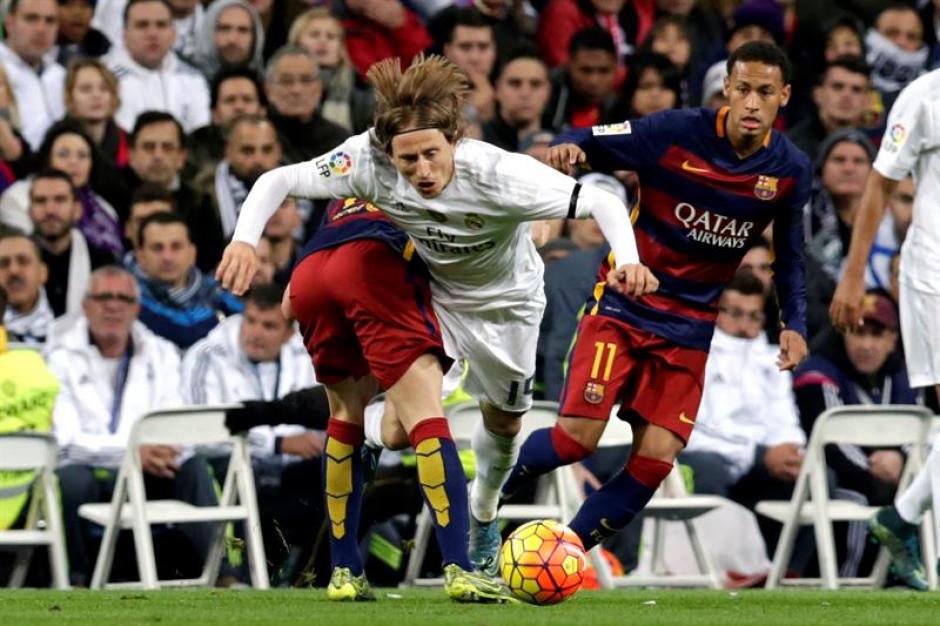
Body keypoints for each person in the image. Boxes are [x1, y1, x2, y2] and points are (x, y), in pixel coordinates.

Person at [216, 54, 652, 577]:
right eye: (407, 160)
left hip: (508, 307)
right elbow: (278, 179)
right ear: (388, 153)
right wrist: (244, 241)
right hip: (434, 297)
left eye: (431, 154)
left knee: (505, 425)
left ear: (454, 141)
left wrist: (627, 260)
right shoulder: (368, 161)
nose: (421, 171)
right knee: (405, 429)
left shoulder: (498, 173)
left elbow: (602, 201)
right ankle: (372, 438)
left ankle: (485, 513)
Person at [501, 41, 811, 560]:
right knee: (577, 439)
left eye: (764, 92)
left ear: (784, 95)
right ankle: (488, 499)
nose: (752, 103)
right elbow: (589, 138)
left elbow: (792, 257)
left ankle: (565, 555)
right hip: (625, 307)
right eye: (743, 90)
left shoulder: (789, 169)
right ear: (727, 91)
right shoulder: (673, 132)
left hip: (689, 327)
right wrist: (568, 147)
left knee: (657, 459)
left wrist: (793, 322)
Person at [830, 66, 940, 591]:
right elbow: (879, 185)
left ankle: (901, 516)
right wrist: (853, 276)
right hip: (935, 272)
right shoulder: (923, 96)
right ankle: (904, 518)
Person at [49, 264, 218, 586]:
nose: (113, 306)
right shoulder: (60, 357)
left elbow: (175, 420)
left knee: (193, 467)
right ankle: (75, 579)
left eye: (123, 298)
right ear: (85, 306)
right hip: (95, 473)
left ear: (136, 309)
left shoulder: (162, 352)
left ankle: (219, 576)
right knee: (70, 479)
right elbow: (66, 441)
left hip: (149, 472)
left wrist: (165, 451)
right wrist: (130, 453)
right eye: (103, 297)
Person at [133, 212, 242, 349]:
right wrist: (217, 319)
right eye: (157, 248)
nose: (167, 257)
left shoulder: (217, 292)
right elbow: (181, 332)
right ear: (140, 256)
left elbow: (247, 321)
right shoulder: (128, 297)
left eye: (176, 247)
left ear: (192, 253)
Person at [105, 0, 211, 133]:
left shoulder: (194, 79)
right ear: (124, 34)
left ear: (174, 34)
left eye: (161, 25)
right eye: (142, 25)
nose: (152, 34)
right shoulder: (106, 80)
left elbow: (199, 135)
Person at [29, 168, 116, 317]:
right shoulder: (13, 259)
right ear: (29, 211)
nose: (50, 210)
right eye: (40, 201)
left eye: (60, 200)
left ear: (77, 210)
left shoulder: (102, 261)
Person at [288, 7, 374, 134]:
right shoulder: (281, 85)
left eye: (331, 36)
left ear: (341, 49)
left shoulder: (363, 91)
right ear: (296, 43)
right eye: (314, 34)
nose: (323, 41)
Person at [0, 0, 66, 149]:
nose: (41, 29)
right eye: (31, 18)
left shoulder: (61, 76)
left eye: (50, 21)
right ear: (9, 22)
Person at [0, 231, 52, 345]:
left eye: (23, 261)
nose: (14, 270)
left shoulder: (68, 327)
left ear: (43, 272)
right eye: (3, 263)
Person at [191, 0, 265, 80]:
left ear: (255, 37)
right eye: (224, 29)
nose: (232, 39)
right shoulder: (186, 82)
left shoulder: (268, 87)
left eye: (243, 30)